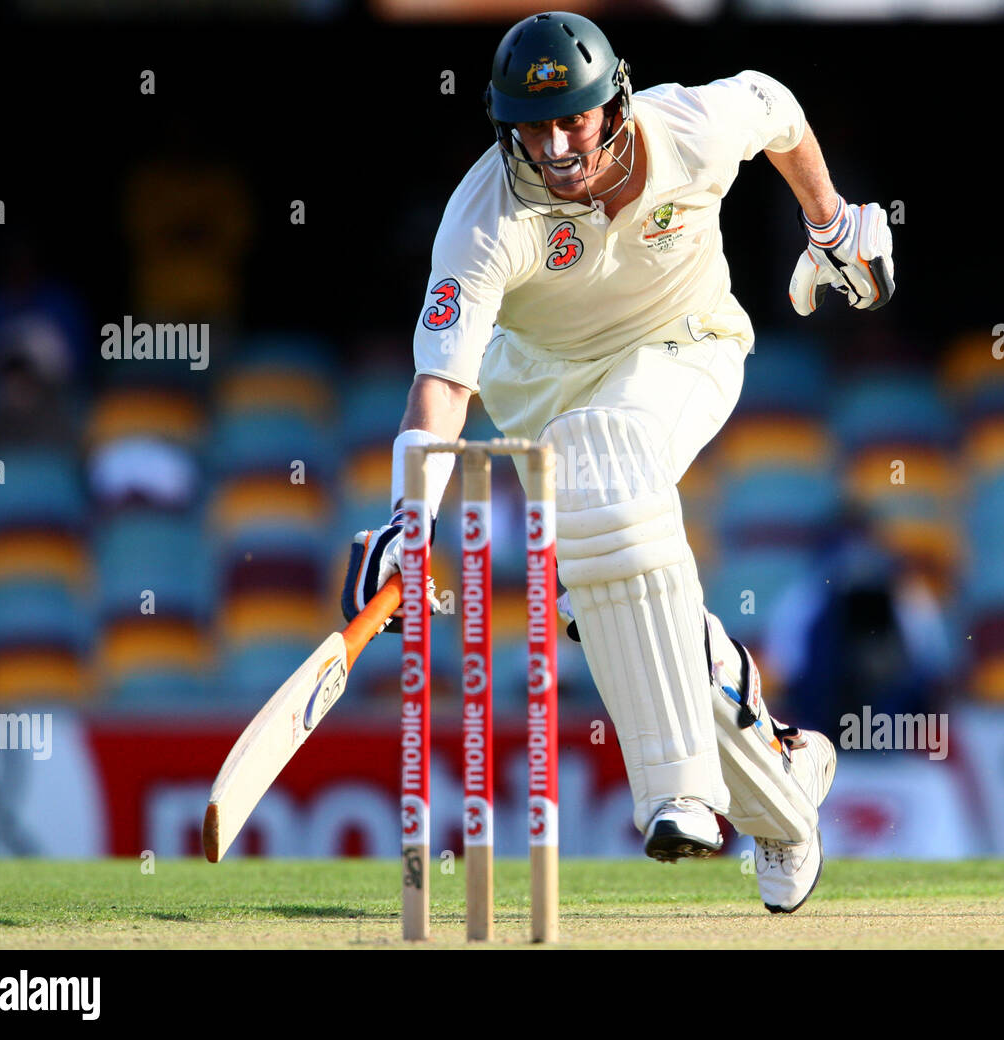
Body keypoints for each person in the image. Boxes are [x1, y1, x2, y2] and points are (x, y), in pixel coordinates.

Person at [342, 10, 895, 914]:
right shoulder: (482, 219)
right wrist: (413, 523)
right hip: (545, 391)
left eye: (574, 121)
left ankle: (681, 796)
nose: (557, 146)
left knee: (598, 475)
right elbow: (441, 385)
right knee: (611, 597)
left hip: (688, 341)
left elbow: (778, 108)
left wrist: (830, 223)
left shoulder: (687, 128)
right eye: (533, 125)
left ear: (616, 102)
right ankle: (787, 789)